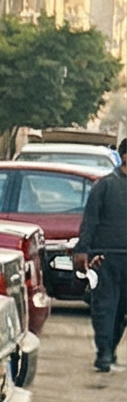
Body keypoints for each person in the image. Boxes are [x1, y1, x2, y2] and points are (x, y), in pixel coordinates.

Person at [74, 149, 127, 372]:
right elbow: (91, 220)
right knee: (106, 307)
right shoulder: (104, 186)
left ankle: (109, 351)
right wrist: (82, 250)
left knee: (120, 309)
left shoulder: (104, 185)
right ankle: (104, 354)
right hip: (105, 256)